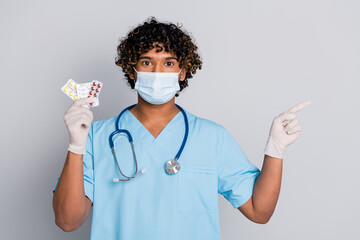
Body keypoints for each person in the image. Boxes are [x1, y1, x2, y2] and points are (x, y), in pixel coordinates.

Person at [52, 17, 311, 239]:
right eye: (146, 62)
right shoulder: (96, 136)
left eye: (168, 63)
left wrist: (275, 150)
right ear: (132, 72)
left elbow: (259, 211)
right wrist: (76, 145)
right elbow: (68, 221)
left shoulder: (212, 137)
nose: (157, 71)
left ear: (182, 72)